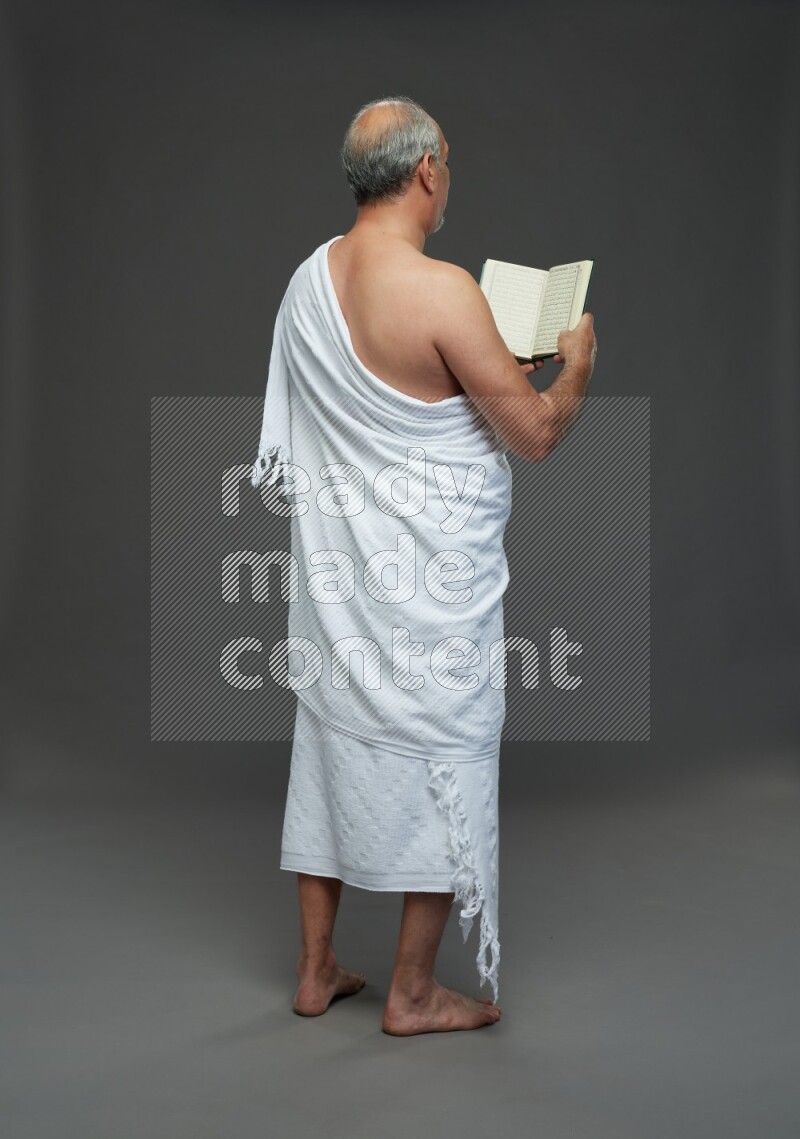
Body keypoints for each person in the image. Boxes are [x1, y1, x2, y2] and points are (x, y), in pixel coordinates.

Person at [252, 95, 597, 1035]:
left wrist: (487, 369)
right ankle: (410, 990)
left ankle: (317, 967)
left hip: (338, 590)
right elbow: (527, 433)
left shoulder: (305, 280)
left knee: (327, 749)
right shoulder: (445, 292)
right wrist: (574, 368)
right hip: (428, 602)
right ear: (427, 173)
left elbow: (377, 415)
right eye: (448, 160)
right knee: (449, 750)